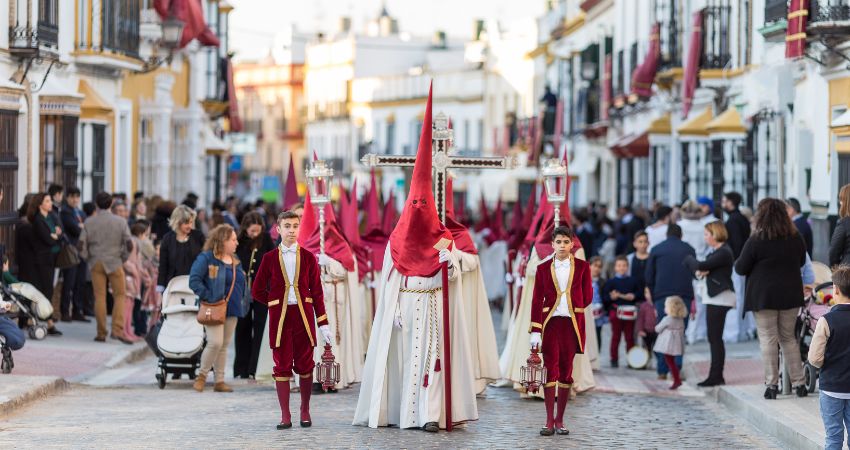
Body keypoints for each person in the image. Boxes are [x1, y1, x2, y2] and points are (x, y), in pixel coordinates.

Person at [354, 93, 478, 432]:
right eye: (416, 204)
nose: (421, 210)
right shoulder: (397, 240)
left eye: (426, 205)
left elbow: (454, 274)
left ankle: (430, 415)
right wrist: (391, 309)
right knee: (407, 360)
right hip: (406, 307)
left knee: (432, 363)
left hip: (435, 305)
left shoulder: (442, 237)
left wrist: (449, 261)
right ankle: (404, 413)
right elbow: (390, 279)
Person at [251, 211, 332, 429]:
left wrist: (323, 323)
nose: (292, 231)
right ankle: (285, 414)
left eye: (295, 226)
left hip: (303, 318)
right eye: (287, 226)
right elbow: (257, 290)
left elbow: (317, 292)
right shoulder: (269, 258)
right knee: (282, 365)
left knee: (305, 364)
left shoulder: (307, 257)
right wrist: (274, 301)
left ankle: (304, 409)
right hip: (281, 320)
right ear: (278, 229)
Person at [734, 198, 808, 400]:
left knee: (768, 339)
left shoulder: (757, 239)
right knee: (788, 338)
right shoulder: (795, 237)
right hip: (790, 295)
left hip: (763, 296)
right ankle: (800, 384)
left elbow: (740, 267)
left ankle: (772, 385)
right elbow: (802, 261)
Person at [529, 226, 591, 436]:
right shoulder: (542, 268)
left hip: (571, 324)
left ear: (572, 244)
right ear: (552, 245)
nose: (562, 246)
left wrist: (576, 305)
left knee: (566, 371)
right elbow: (537, 299)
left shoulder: (582, 267)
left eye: (566, 242)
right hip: (551, 324)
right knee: (550, 369)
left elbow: (588, 294)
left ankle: (560, 420)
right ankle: (548, 420)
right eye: (559, 242)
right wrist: (535, 331)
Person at [189, 224, 246, 393]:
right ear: (223, 241)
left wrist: (244, 301)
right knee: (215, 342)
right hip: (213, 307)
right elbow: (194, 280)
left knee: (224, 345)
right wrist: (208, 296)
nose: (236, 243)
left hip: (233, 307)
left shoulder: (236, 261)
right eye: (233, 240)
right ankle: (201, 376)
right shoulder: (207, 258)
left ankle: (219, 381)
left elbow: (241, 283)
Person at [684, 221, 735, 387]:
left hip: (720, 298)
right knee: (714, 337)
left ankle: (716, 375)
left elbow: (700, 266)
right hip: (715, 297)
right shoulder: (717, 252)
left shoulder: (723, 252)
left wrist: (689, 258)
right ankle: (715, 374)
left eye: (707, 234)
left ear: (715, 234)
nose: (704, 237)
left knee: (715, 338)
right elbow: (702, 270)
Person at [79, 192, 133, 344]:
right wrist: (123, 258)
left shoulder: (89, 222)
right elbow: (129, 244)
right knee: (120, 295)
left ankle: (101, 333)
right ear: (111, 205)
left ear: (96, 204)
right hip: (115, 262)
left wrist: (87, 257)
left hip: (96, 262)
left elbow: (80, 244)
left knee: (100, 297)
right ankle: (117, 330)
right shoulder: (120, 222)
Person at [645, 223, 695, 378]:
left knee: (664, 331)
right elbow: (694, 272)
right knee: (680, 331)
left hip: (662, 294)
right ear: (681, 235)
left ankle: (662, 369)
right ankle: (677, 368)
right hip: (683, 294)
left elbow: (648, 276)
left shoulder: (657, 249)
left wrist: (653, 296)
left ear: (667, 234)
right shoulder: (688, 249)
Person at [808, 266, 850, 450]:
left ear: (836, 290)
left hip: (832, 386)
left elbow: (815, 358)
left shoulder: (826, 320)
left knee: (833, 437)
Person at [233, 212, 275, 379]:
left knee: (259, 326)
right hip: (242, 289)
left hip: (261, 289)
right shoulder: (239, 241)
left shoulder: (266, 240)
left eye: (257, 231)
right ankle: (241, 367)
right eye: (252, 231)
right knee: (242, 327)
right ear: (245, 229)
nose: (255, 234)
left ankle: (255, 366)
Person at [602, 255, 640, 367]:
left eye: (624, 265)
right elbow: (605, 298)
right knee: (616, 336)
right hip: (616, 312)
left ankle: (631, 360)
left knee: (629, 338)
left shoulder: (633, 281)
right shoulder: (611, 282)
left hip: (630, 314)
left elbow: (640, 294)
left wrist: (634, 296)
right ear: (615, 268)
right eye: (619, 265)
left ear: (627, 267)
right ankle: (614, 359)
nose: (622, 268)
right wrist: (611, 298)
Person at [157, 205, 205, 293]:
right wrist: (161, 287)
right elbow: (163, 265)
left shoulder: (198, 237)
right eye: (186, 223)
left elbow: (206, 260)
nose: (190, 226)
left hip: (195, 285)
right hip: (173, 286)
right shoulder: (167, 239)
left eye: (191, 222)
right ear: (178, 222)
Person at [59, 187, 89, 322]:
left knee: (80, 282)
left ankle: (78, 310)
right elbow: (76, 229)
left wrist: (82, 227)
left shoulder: (81, 213)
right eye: (72, 197)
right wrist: (82, 227)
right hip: (71, 252)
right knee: (69, 282)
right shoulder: (65, 212)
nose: (75, 199)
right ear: (67, 198)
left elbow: (87, 228)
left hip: (82, 252)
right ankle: (65, 311)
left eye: (77, 197)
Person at [653, 296, 687, 390]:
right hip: (676, 344)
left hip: (667, 344)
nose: (664, 308)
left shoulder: (667, 319)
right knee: (671, 361)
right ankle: (677, 379)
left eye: (666, 306)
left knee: (670, 361)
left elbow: (657, 329)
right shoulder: (680, 319)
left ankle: (677, 380)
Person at [589, 256, 607, 351]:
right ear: (589, 266)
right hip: (587, 312)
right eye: (595, 265)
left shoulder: (602, 282)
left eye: (599, 267)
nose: (597, 268)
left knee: (597, 333)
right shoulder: (583, 279)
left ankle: (597, 355)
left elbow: (605, 296)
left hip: (598, 313)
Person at [830, 184, 850, 268]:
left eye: (841, 200)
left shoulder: (844, 223)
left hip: (846, 273)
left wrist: (836, 270)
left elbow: (833, 253)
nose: (840, 203)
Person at [636, 287, 657, 359]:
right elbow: (640, 319)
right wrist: (640, 330)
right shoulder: (644, 306)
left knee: (657, 348)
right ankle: (647, 361)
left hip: (656, 331)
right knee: (646, 348)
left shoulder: (658, 305)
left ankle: (660, 362)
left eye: (649, 292)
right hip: (646, 331)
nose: (647, 295)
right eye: (646, 292)